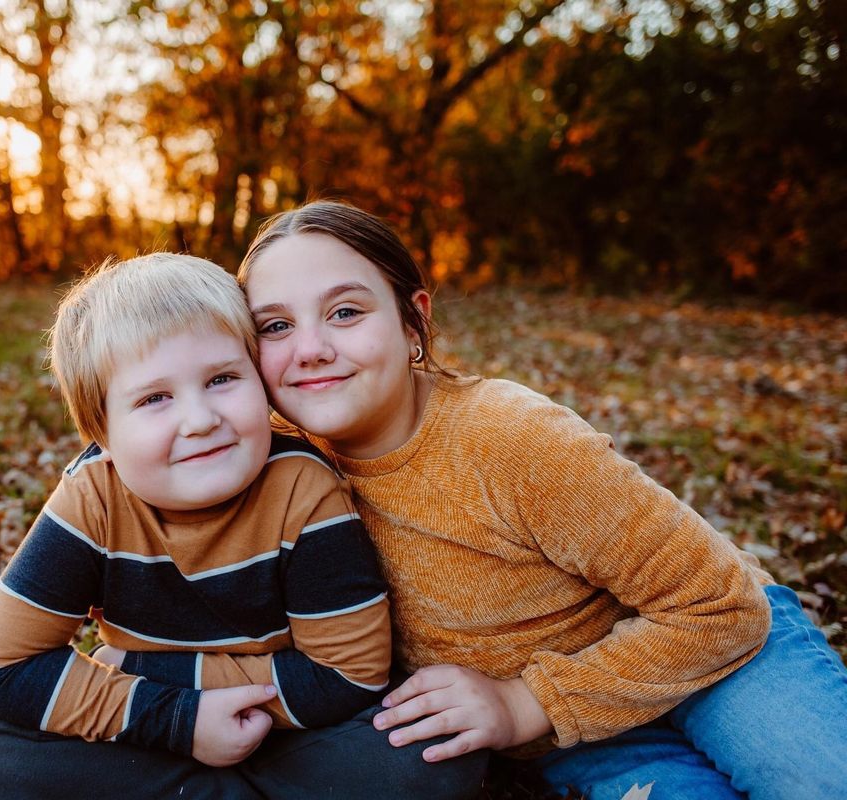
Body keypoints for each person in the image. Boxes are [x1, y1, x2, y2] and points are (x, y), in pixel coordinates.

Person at [237, 200, 847, 800]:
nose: (310, 347)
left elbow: (721, 607)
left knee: (822, 783)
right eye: (276, 326)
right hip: (582, 735)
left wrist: (520, 702)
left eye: (345, 311)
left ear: (411, 320)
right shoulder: (280, 472)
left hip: (718, 648)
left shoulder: (509, 439)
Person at [0, 253, 487, 799]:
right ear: (104, 434)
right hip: (156, 732)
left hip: (296, 730)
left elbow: (349, 676)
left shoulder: (301, 488)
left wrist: (151, 673)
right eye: (155, 398)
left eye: (222, 379)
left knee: (432, 752)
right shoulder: (94, 498)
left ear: (259, 382)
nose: (201, 419)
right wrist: (180, 721)